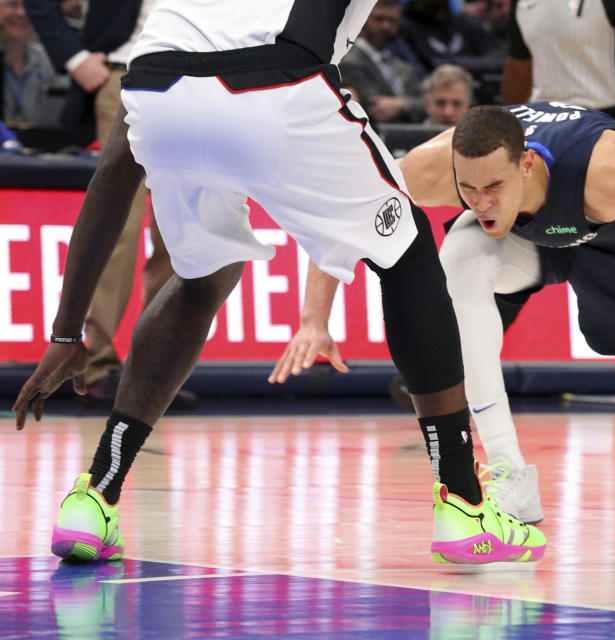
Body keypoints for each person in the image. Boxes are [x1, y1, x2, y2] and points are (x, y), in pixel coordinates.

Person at [13, 0, 545, 567]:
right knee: (408, 250)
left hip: (157, 90)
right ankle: (463, 502)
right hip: (277, 80)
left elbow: (112, 176)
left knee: (198, 278)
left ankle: (93, 496)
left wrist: (67, 333)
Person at [299, 102, 615, 523]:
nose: (478, 201)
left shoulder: (611, 169)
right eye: (468, 189)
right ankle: (509, 473)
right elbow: (351, 216)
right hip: (531, 240)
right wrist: (314, 319)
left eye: (493, 187)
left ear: (526, 165)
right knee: (456, 264)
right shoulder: (442, 167)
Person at [26, 0, 178, 403]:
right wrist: (73, 57)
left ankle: (157, 369)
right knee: (120, 229)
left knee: (180, 231)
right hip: (127, 71)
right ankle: (94, 365)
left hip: (201, 78)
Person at [502, 0, 615, 138]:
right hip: (543, 126)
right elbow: (518, 68)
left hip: (606, 124)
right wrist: (509, 129)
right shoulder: (521, 3)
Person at [338, 0, 427, 124]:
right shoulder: (349, 62)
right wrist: (413, 105)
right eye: (379, 19)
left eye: (392, 21)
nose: (386, 26)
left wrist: (401, 105)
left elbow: (429, 104)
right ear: (363, 20)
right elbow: (375, 108)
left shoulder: (404, 67)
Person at [0, 0, 64, 125]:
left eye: (29, 6)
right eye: (12, 5)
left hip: (37, 140)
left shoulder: (49, 60)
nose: (22, 13)